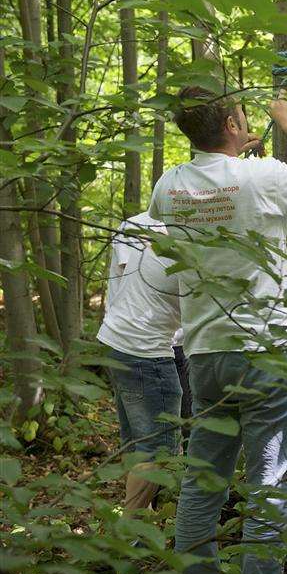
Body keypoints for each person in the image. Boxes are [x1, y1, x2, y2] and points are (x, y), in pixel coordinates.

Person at [148, 86, 287, 574]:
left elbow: (210, 197)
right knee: (270, 489)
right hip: (265, 352)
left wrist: (235, 155)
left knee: (202, 479)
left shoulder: (168, 184)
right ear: (234, 124)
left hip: (204, 354)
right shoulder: (260, 176)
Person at [97, 212, 182, 512]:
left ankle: (139, 519)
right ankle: (128, 534)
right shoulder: (193, 236)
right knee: (157, 448)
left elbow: (117, 281)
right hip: (146, 350)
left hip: (115, 338)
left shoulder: (136, 223)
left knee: (135, 439)